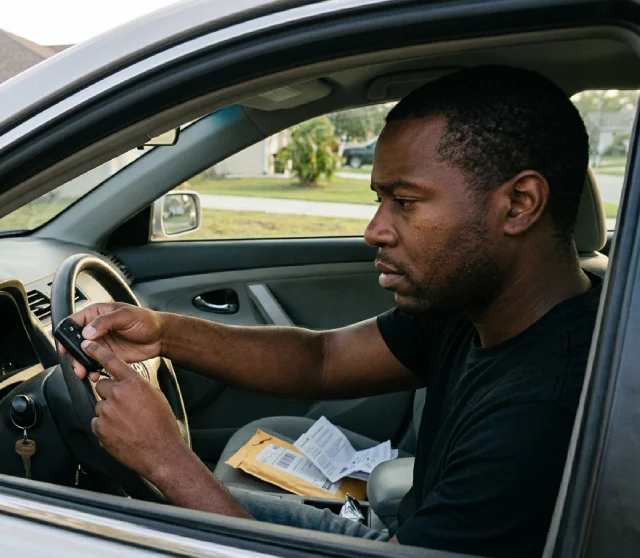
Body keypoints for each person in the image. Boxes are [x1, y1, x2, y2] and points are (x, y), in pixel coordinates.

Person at [60, 65, 600, 557]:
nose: (375, 231)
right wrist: (161, 332)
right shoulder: (474, 306)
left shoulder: (545, 417)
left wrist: (164, 460)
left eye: (405, 202)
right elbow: (324, 358)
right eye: (378, 201)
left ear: (520, 204)